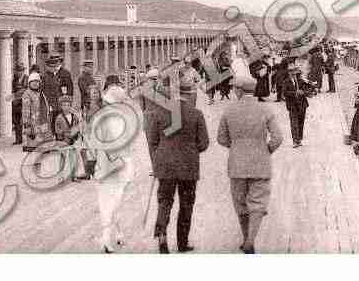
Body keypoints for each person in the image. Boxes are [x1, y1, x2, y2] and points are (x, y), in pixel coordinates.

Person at [217, 75, 283, 254]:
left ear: (238, 90)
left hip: (237, 165)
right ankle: (251, 240)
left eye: (234, 88)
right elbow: (278, 137)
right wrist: (266, 149)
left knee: (240, 203)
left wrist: (237, 146)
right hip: (260, 164)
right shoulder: (266, 110)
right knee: (258, 202)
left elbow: (221, 139)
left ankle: (245, 237)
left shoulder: (229, 111)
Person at [145, 82, 210, 253]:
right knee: (186, 203)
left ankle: (162, 237)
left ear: (175, 94)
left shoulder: (160, 113)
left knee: (164, 202)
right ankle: (182, 243)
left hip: (165, 166)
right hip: (188, 167)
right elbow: (204, 143)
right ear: (189, 95)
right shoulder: (196, 114)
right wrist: (190, 149)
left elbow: (152, 141)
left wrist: (159, 158)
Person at [94, 79, 136, 253]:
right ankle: (109, 237)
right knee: (115, 202)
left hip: (104, 166)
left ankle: (115, 234)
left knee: (107, 202)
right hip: (120, 166)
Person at [22, 72, 53, 165]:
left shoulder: (41, 94)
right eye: (33, 82)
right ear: (29, 83)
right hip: (32, 124)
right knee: (32, 148)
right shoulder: (27, 94)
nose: (35, 83)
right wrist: (27, 125)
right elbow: (25, 111)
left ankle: (38, 167)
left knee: (40, 148)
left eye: (37, 82)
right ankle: (31, 168)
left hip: (41, 124)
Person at [42, 55, 74, 134]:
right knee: (54, 120)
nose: (54, 65)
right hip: (52, 103)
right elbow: (45, 90)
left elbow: (70, 88)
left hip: (63, 101)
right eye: (52, 63)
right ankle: (55, 136)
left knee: (65, 118)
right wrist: (48, 103)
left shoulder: (65, 73)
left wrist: (68, 101)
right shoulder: (46, 75)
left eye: (56, 62)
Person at [54, 95, 81, 182]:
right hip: (63, 141)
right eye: (64, 105)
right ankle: (60, 176)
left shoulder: (75, 117)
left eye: (68, 105)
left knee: (73, 158)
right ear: (61, 106)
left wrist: (75, 134)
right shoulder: (59, 117)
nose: (66, 107)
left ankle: (74, 175)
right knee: (62, 158)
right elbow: (57, 129)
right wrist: (62, 134)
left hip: (72, 140)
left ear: (70, 106)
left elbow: (77, 127)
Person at [283, 65, 310, 148]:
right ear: (289, 73)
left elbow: (307, 89)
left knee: (300, 123)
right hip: (292, 105)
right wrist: (295, 93)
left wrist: (304, 92)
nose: (293, 74)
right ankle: (295, 141)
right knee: (294, 123)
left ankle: (299, 139)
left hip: (302, 104)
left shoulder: (300, 80)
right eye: (291, 72)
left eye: (294, 72)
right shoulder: (286, 82)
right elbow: (285, 93)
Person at [11, 63, 28, 145]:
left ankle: (29, 139)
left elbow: (27, 90)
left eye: (20, 71)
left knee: (26, 122)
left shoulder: (27, 79)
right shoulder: (14, 80)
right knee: (16, 121)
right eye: (18, 71)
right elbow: (13, 91)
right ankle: (18, 139)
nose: (19, 72)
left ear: (23, 71)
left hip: (24, 103)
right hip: (16, 104)